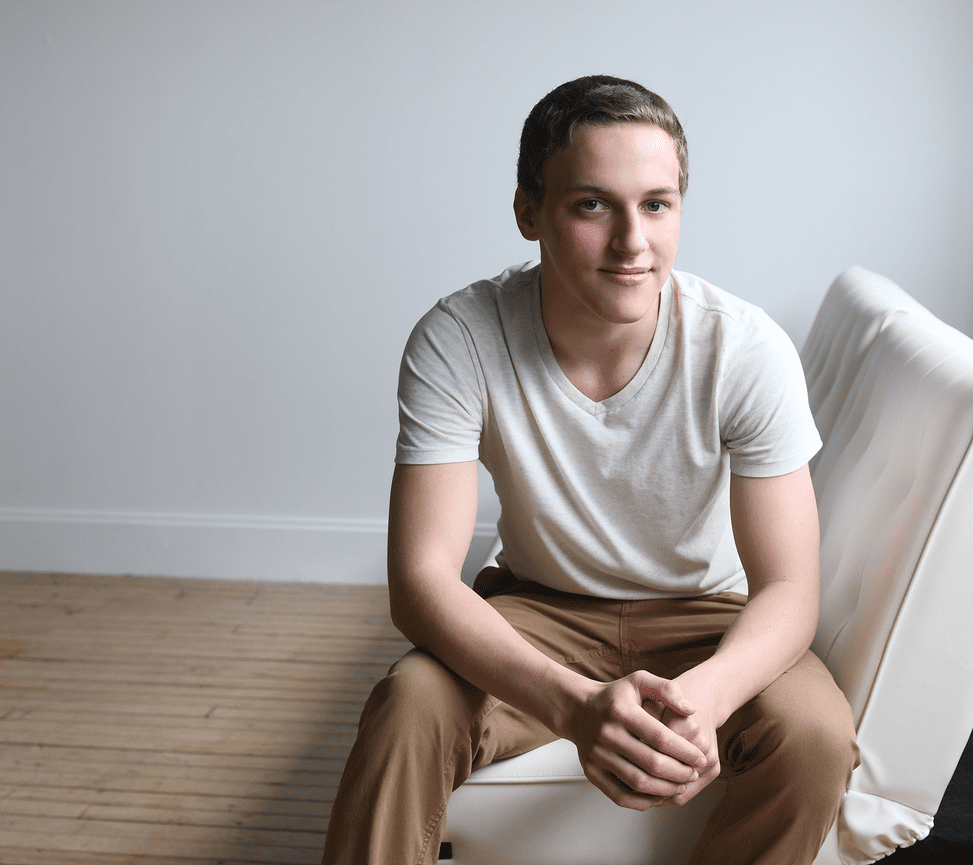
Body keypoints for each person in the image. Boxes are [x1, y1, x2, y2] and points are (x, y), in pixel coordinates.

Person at [321, 75, 859, 865]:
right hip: (539, 608)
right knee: (410, 702)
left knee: (813, 736)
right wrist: (575, 710)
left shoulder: (745, 349)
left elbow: (789, 588)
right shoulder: (459, 337)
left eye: (656, 204)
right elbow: (421, 582)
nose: (632, 241)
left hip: (704, 615)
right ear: (528, 212)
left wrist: (705, 699)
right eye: (591, 205)